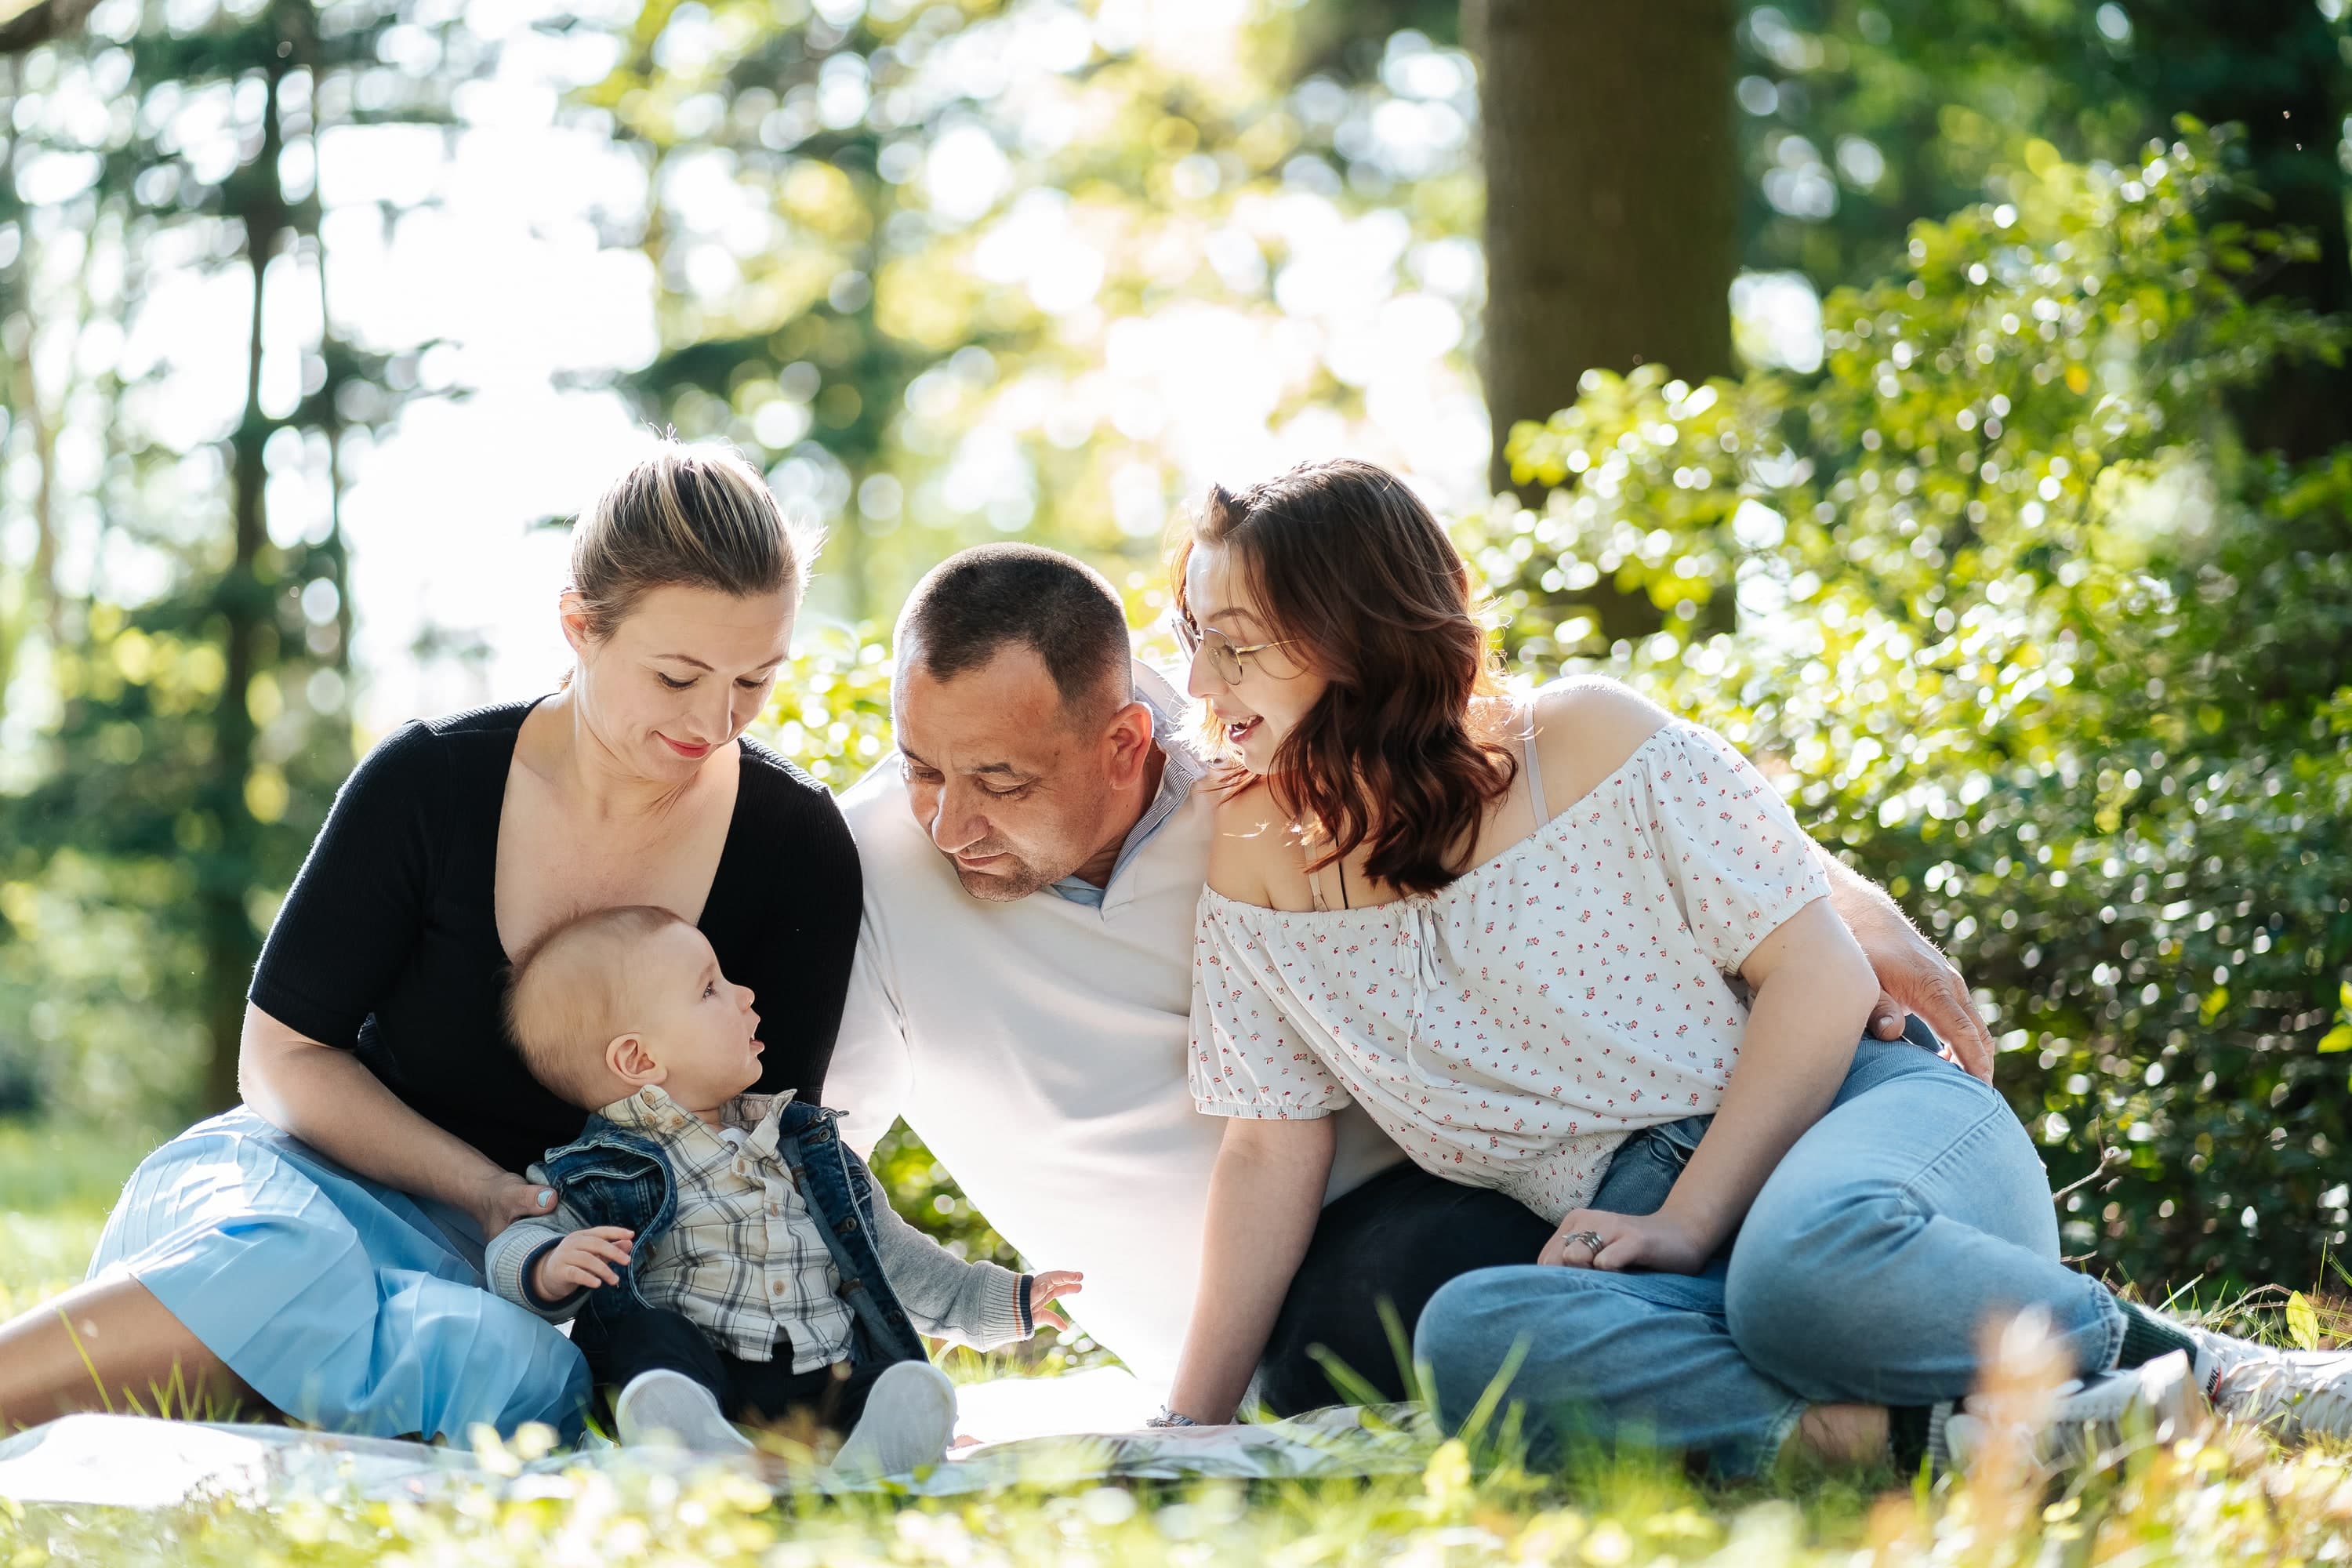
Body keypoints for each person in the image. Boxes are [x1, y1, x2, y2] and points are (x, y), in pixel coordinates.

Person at [1156, 456, 2352, 1472]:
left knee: (1798, 1274)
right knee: (1476, 1334)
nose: (1202, 687)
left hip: (1856, 1123)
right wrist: (1186, 1427)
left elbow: (1824, 977)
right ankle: (1945, 1442)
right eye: (1192, 641)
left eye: (1237, 646)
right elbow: (1272, 1142)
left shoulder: (1583, 739)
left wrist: (1687, 1216)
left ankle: (2227, 1378)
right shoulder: (1252, 859)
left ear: (1358, 635)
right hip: (1659, 1241)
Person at [825, 540, 1998, 1414]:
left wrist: (1851, 913)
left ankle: (1898, 1349)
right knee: (1447, 1318)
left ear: (1123, 741)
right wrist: (862, 1373)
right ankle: (1861, 1400)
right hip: (1269, 1311)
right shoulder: (875, 868)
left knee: (1559, 1264)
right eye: (921, 766)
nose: (950, 822)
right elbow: (794, 1164)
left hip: (1493, 1188)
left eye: (1002, 782)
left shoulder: (1259, 759)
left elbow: (1537, 757)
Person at [0, 443, 861, 1441]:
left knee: (517, 1370)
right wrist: (484, 1187)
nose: (718, 720)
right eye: (678, 675)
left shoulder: (794, 845)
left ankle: (258, 1384)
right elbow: (281, 1057)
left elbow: (762, 1141)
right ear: (580, 625)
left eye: (756, 679)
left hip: (513, 1268)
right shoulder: (429, 783)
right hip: (297, 1179)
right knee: (281, 1262)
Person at [487, 906, 1081, 1473]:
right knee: (651, 1340)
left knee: (900, 1381)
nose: (745, 995)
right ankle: (689, 1435)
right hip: (708, 1378)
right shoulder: (599, 1169)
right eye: (710, 989)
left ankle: (872, 1441)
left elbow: (893, 1258)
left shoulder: (805, 1147)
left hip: (819, 1376)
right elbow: (518, 1241)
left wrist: (997, 1301)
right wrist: (547, 1265)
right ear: (640, 1058)